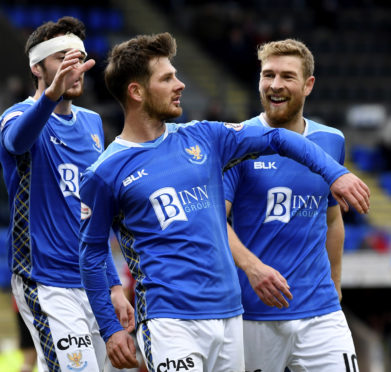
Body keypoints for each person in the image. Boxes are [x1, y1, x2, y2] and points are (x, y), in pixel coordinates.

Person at [78, 32, 369, 371]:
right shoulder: (104, 172)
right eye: (168, 77)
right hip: (169, 320)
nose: (180, 84)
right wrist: (110, 328)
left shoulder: (203, 137)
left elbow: (276, 137)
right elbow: (91, 252)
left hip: (230, 318)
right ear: (137, 91)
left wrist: (334, 173)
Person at [0, 17, 134, 371]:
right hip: (45, 281)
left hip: (92, 281)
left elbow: (94, 216)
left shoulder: (92, 124)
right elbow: (17, 142)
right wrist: (51, 96)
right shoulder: (17, 116)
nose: (72, 69)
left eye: (78, 59)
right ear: (37, 67)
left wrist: (114, 286)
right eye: (62, 59)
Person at [223, 39, 360, 371]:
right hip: (253, 314)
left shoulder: (331, 140)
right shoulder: (236, 142)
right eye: (267, 75)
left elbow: (331, 220)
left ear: (308, 85)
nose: (275, 85)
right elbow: (215, 222)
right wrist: (254, 269)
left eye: (287, 76)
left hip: (321, 313)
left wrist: (335, 286)